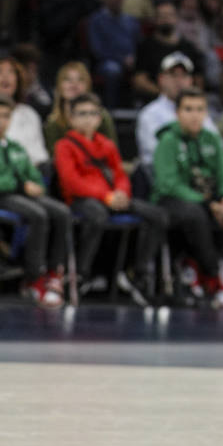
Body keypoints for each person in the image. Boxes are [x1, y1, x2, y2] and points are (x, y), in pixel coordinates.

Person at [53, 92, 168, 303]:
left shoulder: (107, 145)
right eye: (82, 114)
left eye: (92, 113)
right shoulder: (64, 146)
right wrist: (106, 196)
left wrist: (122, 193)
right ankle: (81, 273)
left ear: (100, 118)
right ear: (71, 118)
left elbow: (120, 175)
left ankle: (137, 272)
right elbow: (71, 182)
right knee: (96, 216)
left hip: (113, 197)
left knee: (158, 215)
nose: (88, 118)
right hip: (82, 199)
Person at [152, 87, 223, 308]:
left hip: (208, 202)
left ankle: (194, 264)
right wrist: (209, 204)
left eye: (200, 109)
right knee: (195, 215)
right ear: (177, 113)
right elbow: (169, 184)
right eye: (188, 109)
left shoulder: (212, 140)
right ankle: (214, 275)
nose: (195, 115)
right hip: (171, 202)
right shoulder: (167, 140)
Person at [0, 93, 71, 307]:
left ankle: (55, 272)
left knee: (62, 211)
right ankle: (33, 277)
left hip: (20, 194)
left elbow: (33, 175)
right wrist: (20, 185)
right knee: (38, 215)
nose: (1, 121)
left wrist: (37, 186)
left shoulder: (16, 147)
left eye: (5, 116)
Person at [135, 53, 219, 170]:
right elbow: (155, 155)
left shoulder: (200, 110)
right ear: (161, 79)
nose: (179, 81)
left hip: (202, 175)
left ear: (190, 80)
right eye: (173, 75)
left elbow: (217, 146)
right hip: (165, 176)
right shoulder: (149, 114)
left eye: (184, 76)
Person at [45, 60, 119, 153]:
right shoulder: (53, 122)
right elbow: (54, 157)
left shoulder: (102, 116)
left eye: (80, 79)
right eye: (67, 79)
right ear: (59, 86)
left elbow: (112, 151)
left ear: (88, 85)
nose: (74, 84)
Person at [86, 0, 140, 108]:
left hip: (132, 60)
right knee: (112, 70)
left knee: (145, 69)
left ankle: (138, 107)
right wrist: (122, 59)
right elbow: (97, 49)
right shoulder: (96, 20)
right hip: (107, 61)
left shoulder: (131, 21)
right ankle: (110, 109)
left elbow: (139, 44)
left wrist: (135, 58)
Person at [0, 55, 48, 167]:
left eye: (11, 72)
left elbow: (39, 156)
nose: (5, 76)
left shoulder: (29, 114)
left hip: (27, 177)